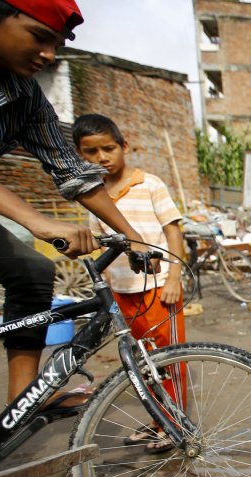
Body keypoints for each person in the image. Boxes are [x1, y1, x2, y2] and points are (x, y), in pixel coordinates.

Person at [0, 0, 145, 414]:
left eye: (57, 43)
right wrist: (39, 222)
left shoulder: (24, 94)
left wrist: (135, 237)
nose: (49, 54)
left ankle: (22, 403)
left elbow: (71, 171)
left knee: (33, 272)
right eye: (38, 36)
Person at [73, 114, 186, 453]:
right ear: (80, 154)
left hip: (158, 289)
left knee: (169, 361)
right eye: (90, 152)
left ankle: (176, 423)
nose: (101, 158)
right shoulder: (93, 195)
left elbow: (173, 229)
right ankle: (158, 421)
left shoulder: (149, 183)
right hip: (122, 293)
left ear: (124, 146)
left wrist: (175, 276)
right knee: (142, 362)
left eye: (108, 148)